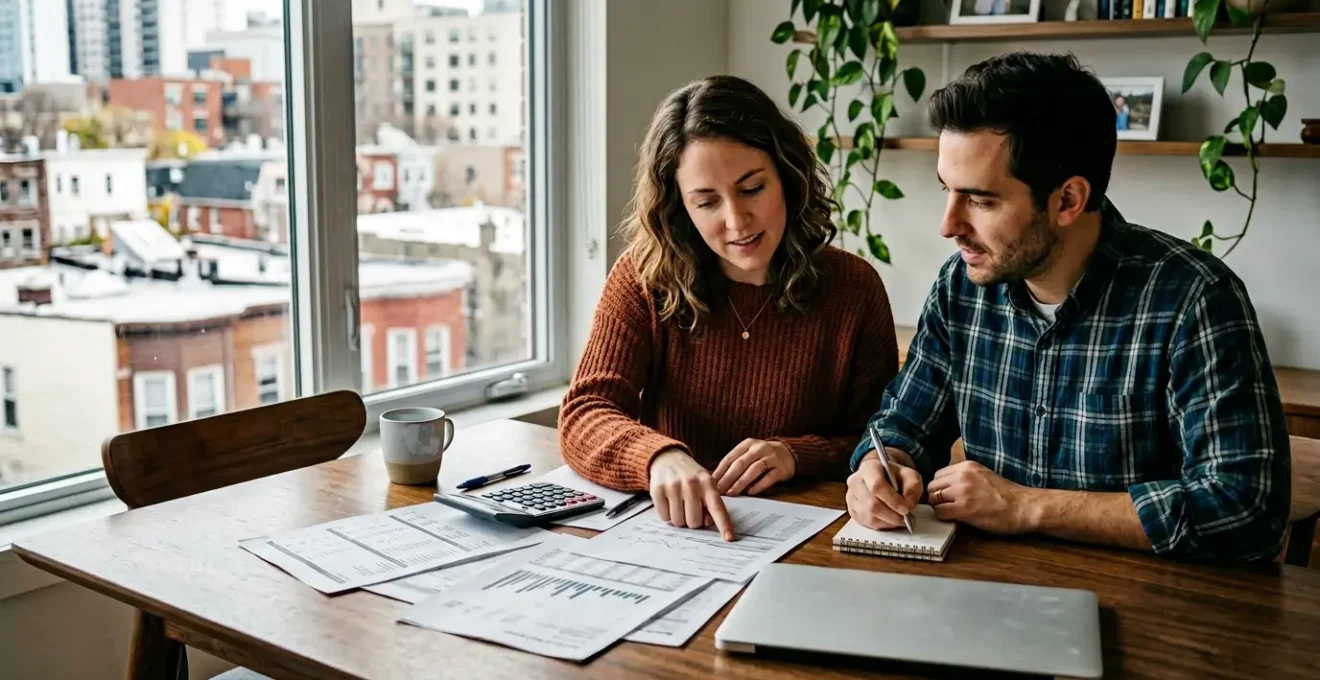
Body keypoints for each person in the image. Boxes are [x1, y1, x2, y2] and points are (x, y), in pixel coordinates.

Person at [845, 52, 1291, 562]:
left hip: (1151, 612)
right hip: (983, 596)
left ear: (1067, 200)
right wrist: (881, 468)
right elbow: (904, 423)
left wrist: (1029, 507)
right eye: (947, 190)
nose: (948, 225)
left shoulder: (1196, 300)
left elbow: (1246, 510)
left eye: (981, 200)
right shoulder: (961, 287)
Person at [560, 75, 899, 541]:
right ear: (679, 207)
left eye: (753, 188)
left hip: (809, 542)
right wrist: (658, 456)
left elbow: (884, 440)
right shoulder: (644, 277)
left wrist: (795, 454)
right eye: (706, 202)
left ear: (787, 176)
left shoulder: (853, 289)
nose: (736, 221)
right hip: (676, 537)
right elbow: (585, 411)